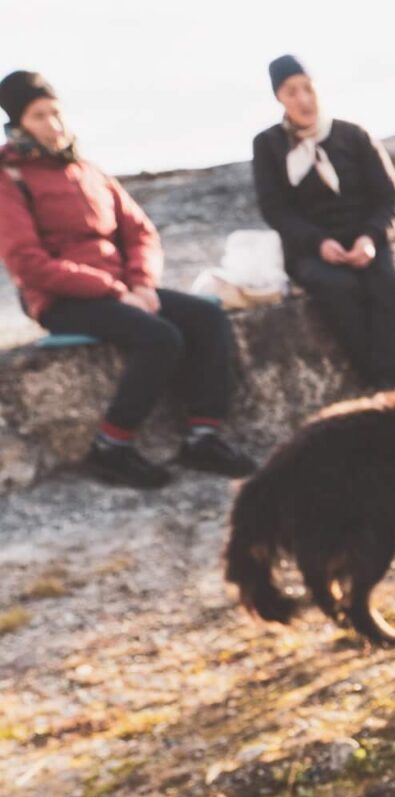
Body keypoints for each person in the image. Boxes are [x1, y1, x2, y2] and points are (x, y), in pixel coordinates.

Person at [0, 70, 257, 489]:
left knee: (207, 317)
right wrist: (114, 291)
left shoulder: (88, 170)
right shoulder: (8, 177)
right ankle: (111, 446)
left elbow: (139, 231)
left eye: (56, 113)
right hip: (61, 298)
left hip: (125, 289)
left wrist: (139, 283)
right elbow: (27, 262)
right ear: (17, 125)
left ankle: (202, 436)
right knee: (160, 338)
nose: (54, 125)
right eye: (39, 116)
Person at [252, 55, 395, 389]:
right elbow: (275, 210)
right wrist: (318, 243)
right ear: (279, 98)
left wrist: (370, 238)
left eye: (307, 88)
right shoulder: (268, 145)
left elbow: (390, 199)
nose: (303, 99)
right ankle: (373, 381)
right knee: (336, 288)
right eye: (291, 91)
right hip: (313, 249)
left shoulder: (354, 135)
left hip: (372, 240)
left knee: (390, 281)